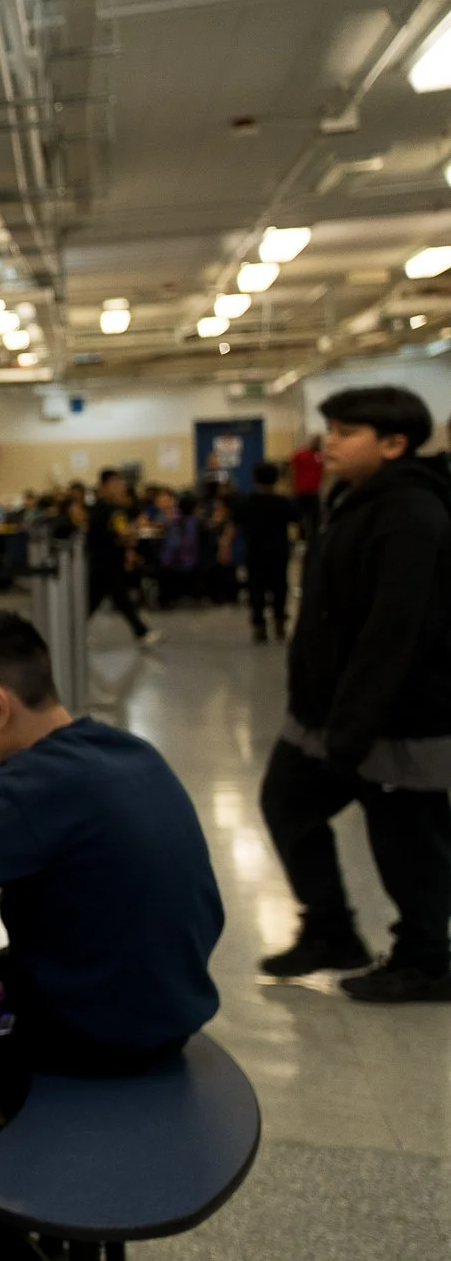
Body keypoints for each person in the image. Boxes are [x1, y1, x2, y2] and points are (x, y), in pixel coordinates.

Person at [0, 611, 221, 1086]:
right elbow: (31, 834)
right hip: (161, 1004)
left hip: (95, 1032)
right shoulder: (118, 749)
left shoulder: (30, 787)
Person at [258, 385, 451, 1003]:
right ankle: (332, 929)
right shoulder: (352, 499)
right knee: (286, 802)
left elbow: (393, 634)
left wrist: (353, 728)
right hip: (324, 710)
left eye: (345, 431)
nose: (328, 442)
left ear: (393, 444)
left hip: (395, 717)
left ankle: (428, 960)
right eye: (330, 429)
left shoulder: (413, 514)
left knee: (407, 838)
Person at [84, 470, 155, 644]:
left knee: (112, 599)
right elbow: (122, 532)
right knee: (111, 599)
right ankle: (142, 632)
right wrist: (135, 527)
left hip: (110, 561)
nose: (120, 488)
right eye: (115, 484)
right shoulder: (105, 509)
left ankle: (141, 632)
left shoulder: (112, 509)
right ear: (104, 487)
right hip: (104, 562)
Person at [237, 460, 298, 642]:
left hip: (255, 552)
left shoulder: (247, 503)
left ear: (254, 479)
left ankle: (259, 626)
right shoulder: (284, 502)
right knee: (280, 587)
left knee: (256, 588)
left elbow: (233, 528)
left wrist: (225, 549)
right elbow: (295, 526)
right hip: (278, 552)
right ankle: (280, 623)